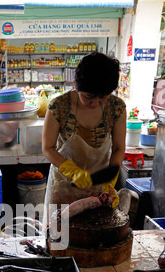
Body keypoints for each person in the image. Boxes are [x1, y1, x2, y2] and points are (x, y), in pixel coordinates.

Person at [42, 52, 126, 217]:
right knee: (59, 233)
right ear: (75, 85)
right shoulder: (58, 106)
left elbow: (118, 148)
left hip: (99, 185)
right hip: (64, 185)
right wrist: (74, 172)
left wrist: (110, 179)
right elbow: (47, 148)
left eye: (103, 97)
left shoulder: (117, 108)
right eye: (88, 97)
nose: (95, 103)